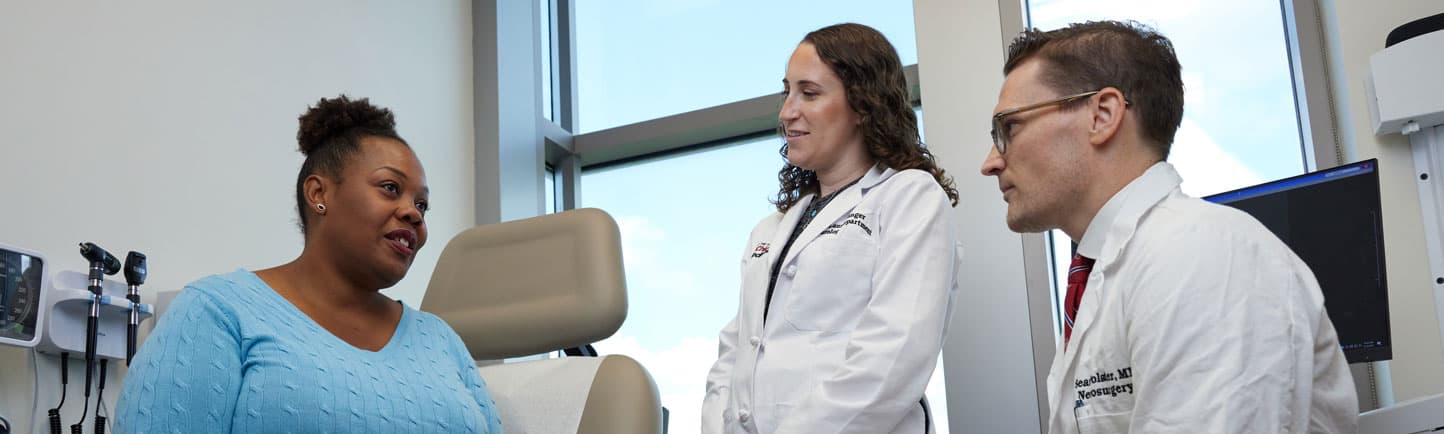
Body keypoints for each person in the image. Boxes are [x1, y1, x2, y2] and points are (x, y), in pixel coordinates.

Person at [979, 21, 1357, 433]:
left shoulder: (1203, 254)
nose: (990, 162)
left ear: (1102, 115)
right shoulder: (1113, 273)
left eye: (1010, 128)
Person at [115, 95, 504, 433]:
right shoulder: (218, 312)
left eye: (422, 205)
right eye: (390, 188)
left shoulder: (440, 341)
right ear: (319, 193)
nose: (413, 214)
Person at [702, 23, 962, 434]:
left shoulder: (909, 197)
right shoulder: (770, 229)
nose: (787, 112)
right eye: (787, 92)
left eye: (809, 93)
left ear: (863, 104)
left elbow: (893, 359)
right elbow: (734, 354)